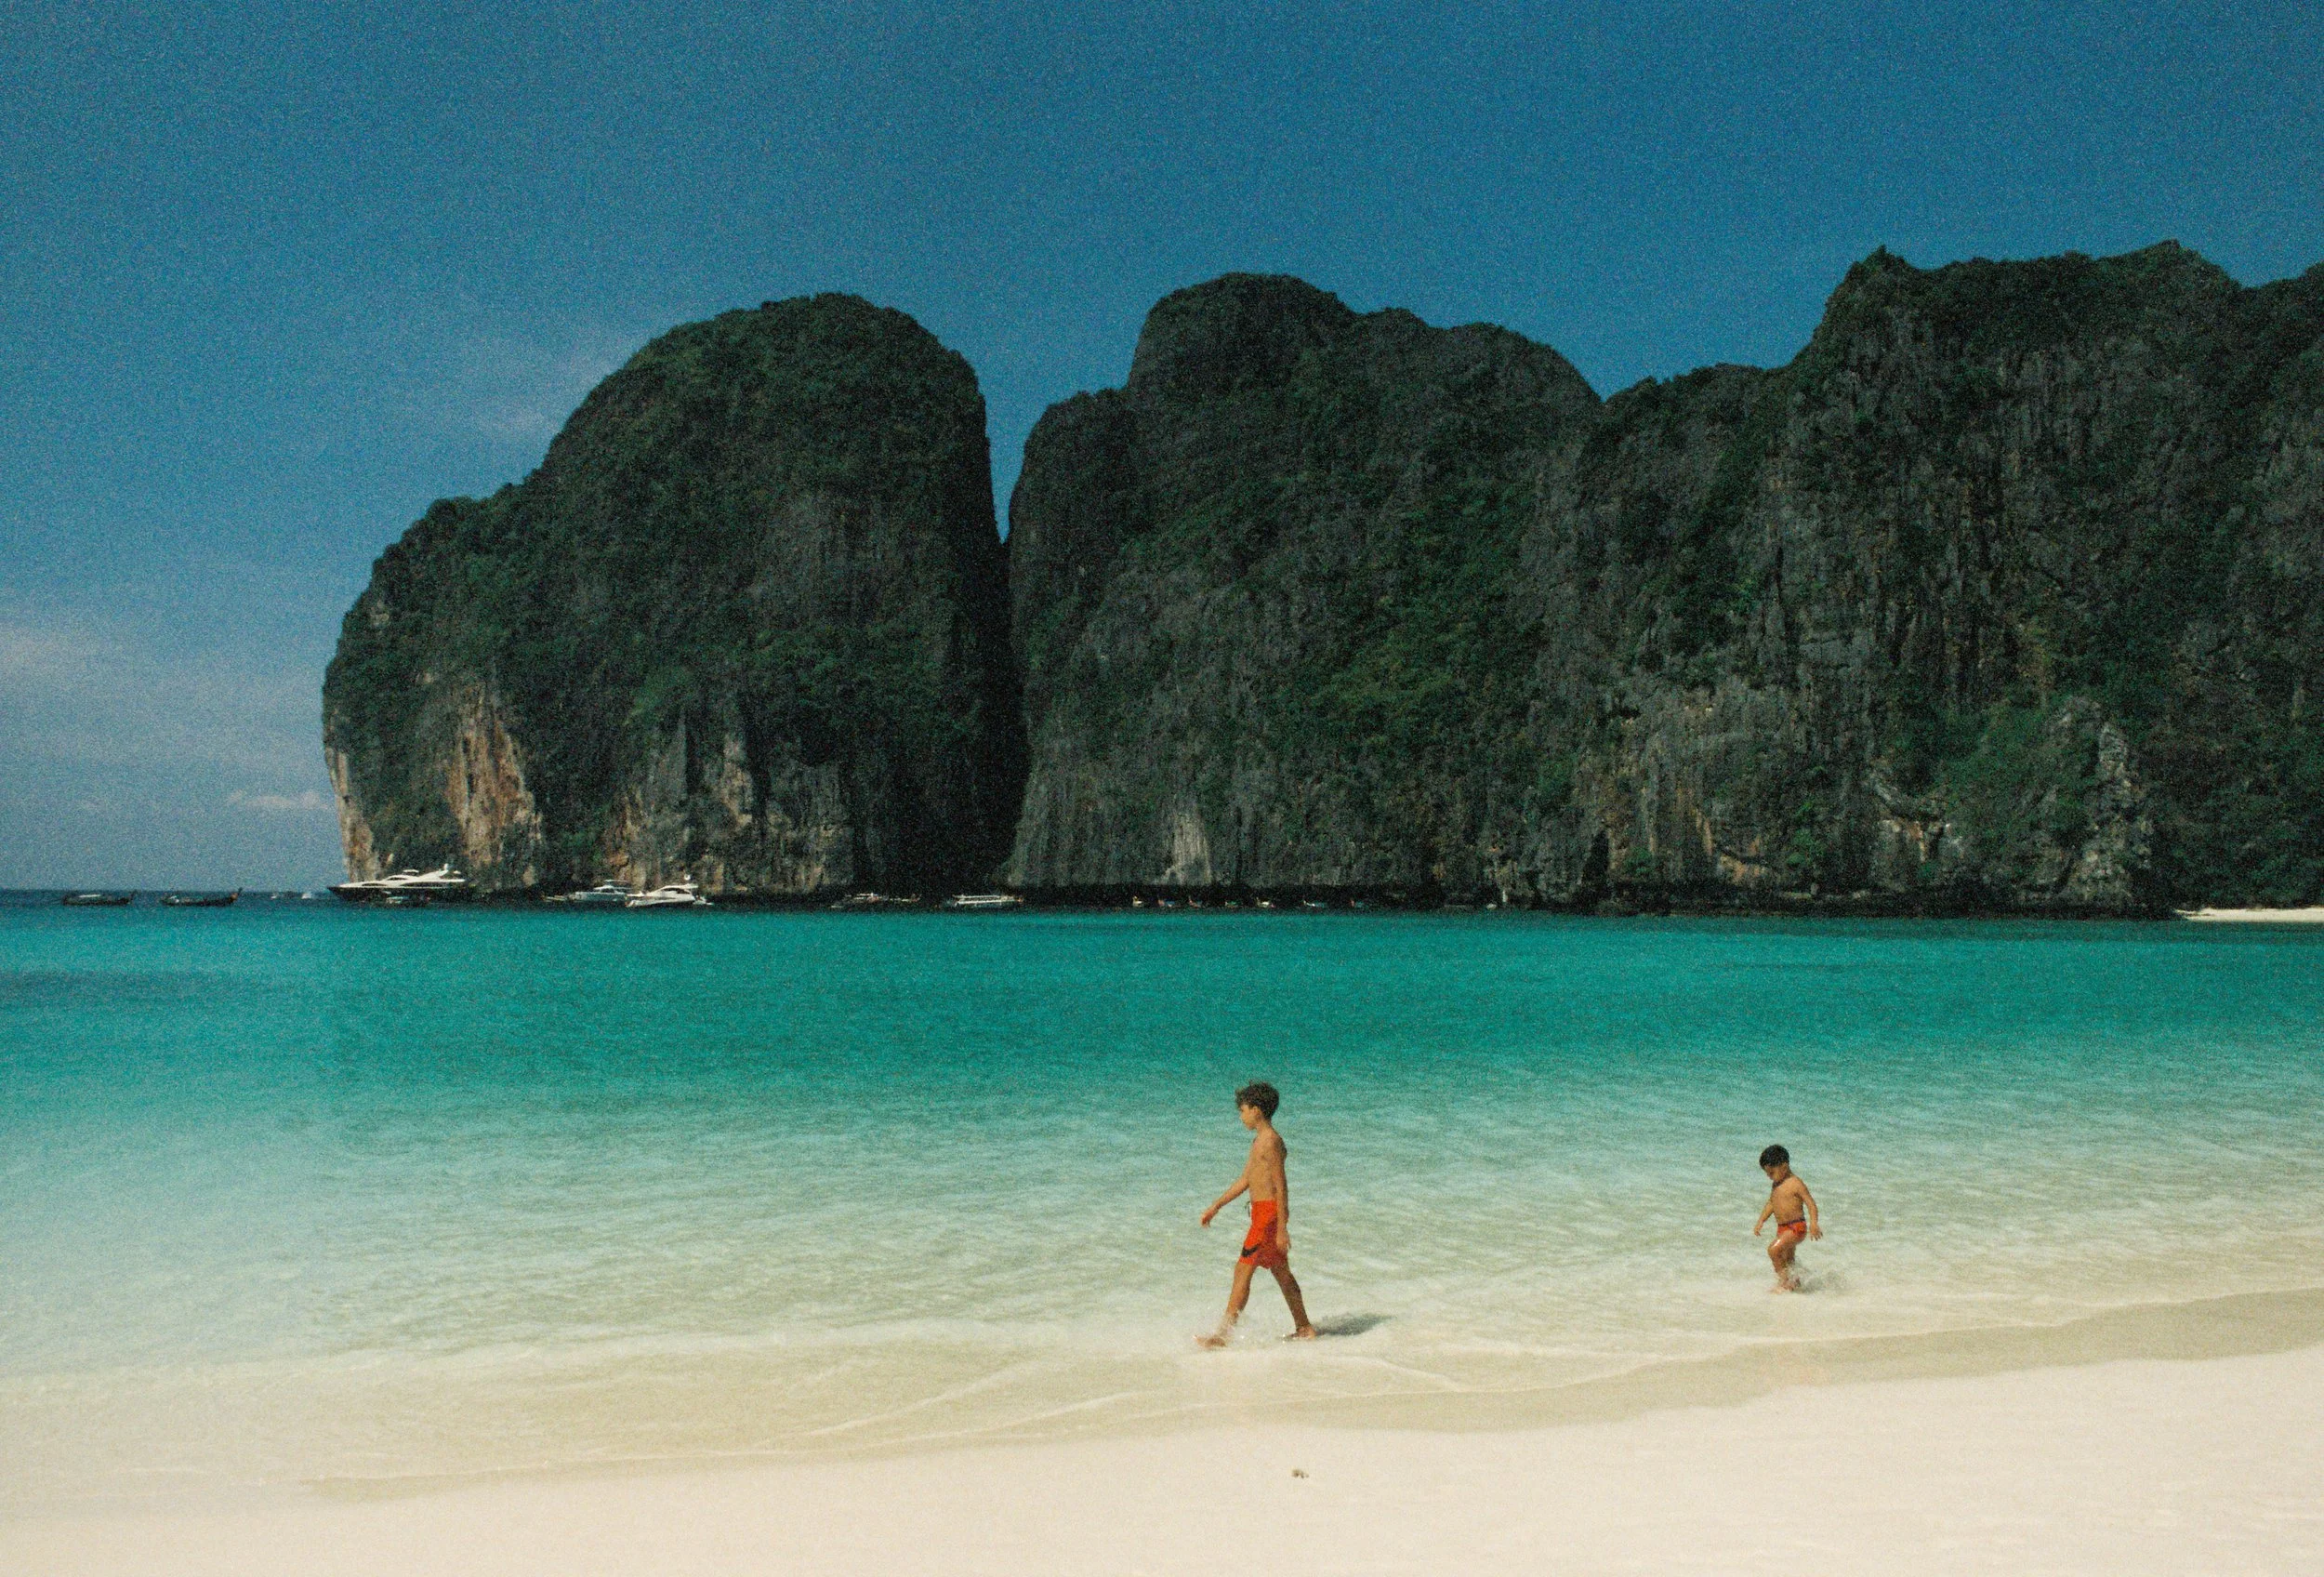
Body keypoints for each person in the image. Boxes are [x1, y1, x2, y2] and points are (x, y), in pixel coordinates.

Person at [1196, 1081, 1317, 1345]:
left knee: (1243, 1270)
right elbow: (1246, 1180)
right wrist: (1216, 1206)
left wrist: (1283, 1228)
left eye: (1243, 1111)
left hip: (1268, 1216)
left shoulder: (1271, 1142)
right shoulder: (1259, 1142)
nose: (1241, 1116)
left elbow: (1281, 1186)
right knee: (1281, 1273)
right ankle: (1305, 1328)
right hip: (1262, 1215)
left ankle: (1222, 1335)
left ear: (1256, 1110)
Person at [1751, 1143, 1822, 1292]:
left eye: (1771, 1173)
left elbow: (1811, 1204)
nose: (1769, 1177)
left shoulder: (1795, 1183)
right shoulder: (1776, 1185)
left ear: (1784, 1166)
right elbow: (1772, 1203)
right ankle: (1796, 1283)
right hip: (1783, 1228)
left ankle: (1783, 1282)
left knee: (1773, 1250)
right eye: (1767, 1174)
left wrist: (1814, 1224)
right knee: (1787, 1259)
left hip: (1796, 1227)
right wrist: (1761, 1221)